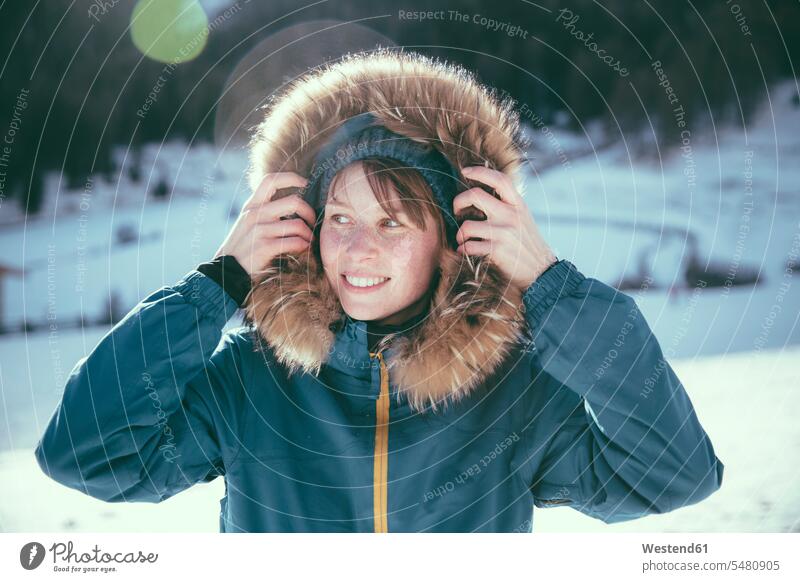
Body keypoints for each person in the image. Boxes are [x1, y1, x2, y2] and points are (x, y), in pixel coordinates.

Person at [34, 49, 723, 533]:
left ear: (459, 239)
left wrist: (551, 285)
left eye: (392, 222)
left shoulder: (516, 394)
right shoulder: (250, 383)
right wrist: (216, 286)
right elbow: (83, 457)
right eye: (340, 218)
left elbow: (673, 476)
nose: (356, 251)